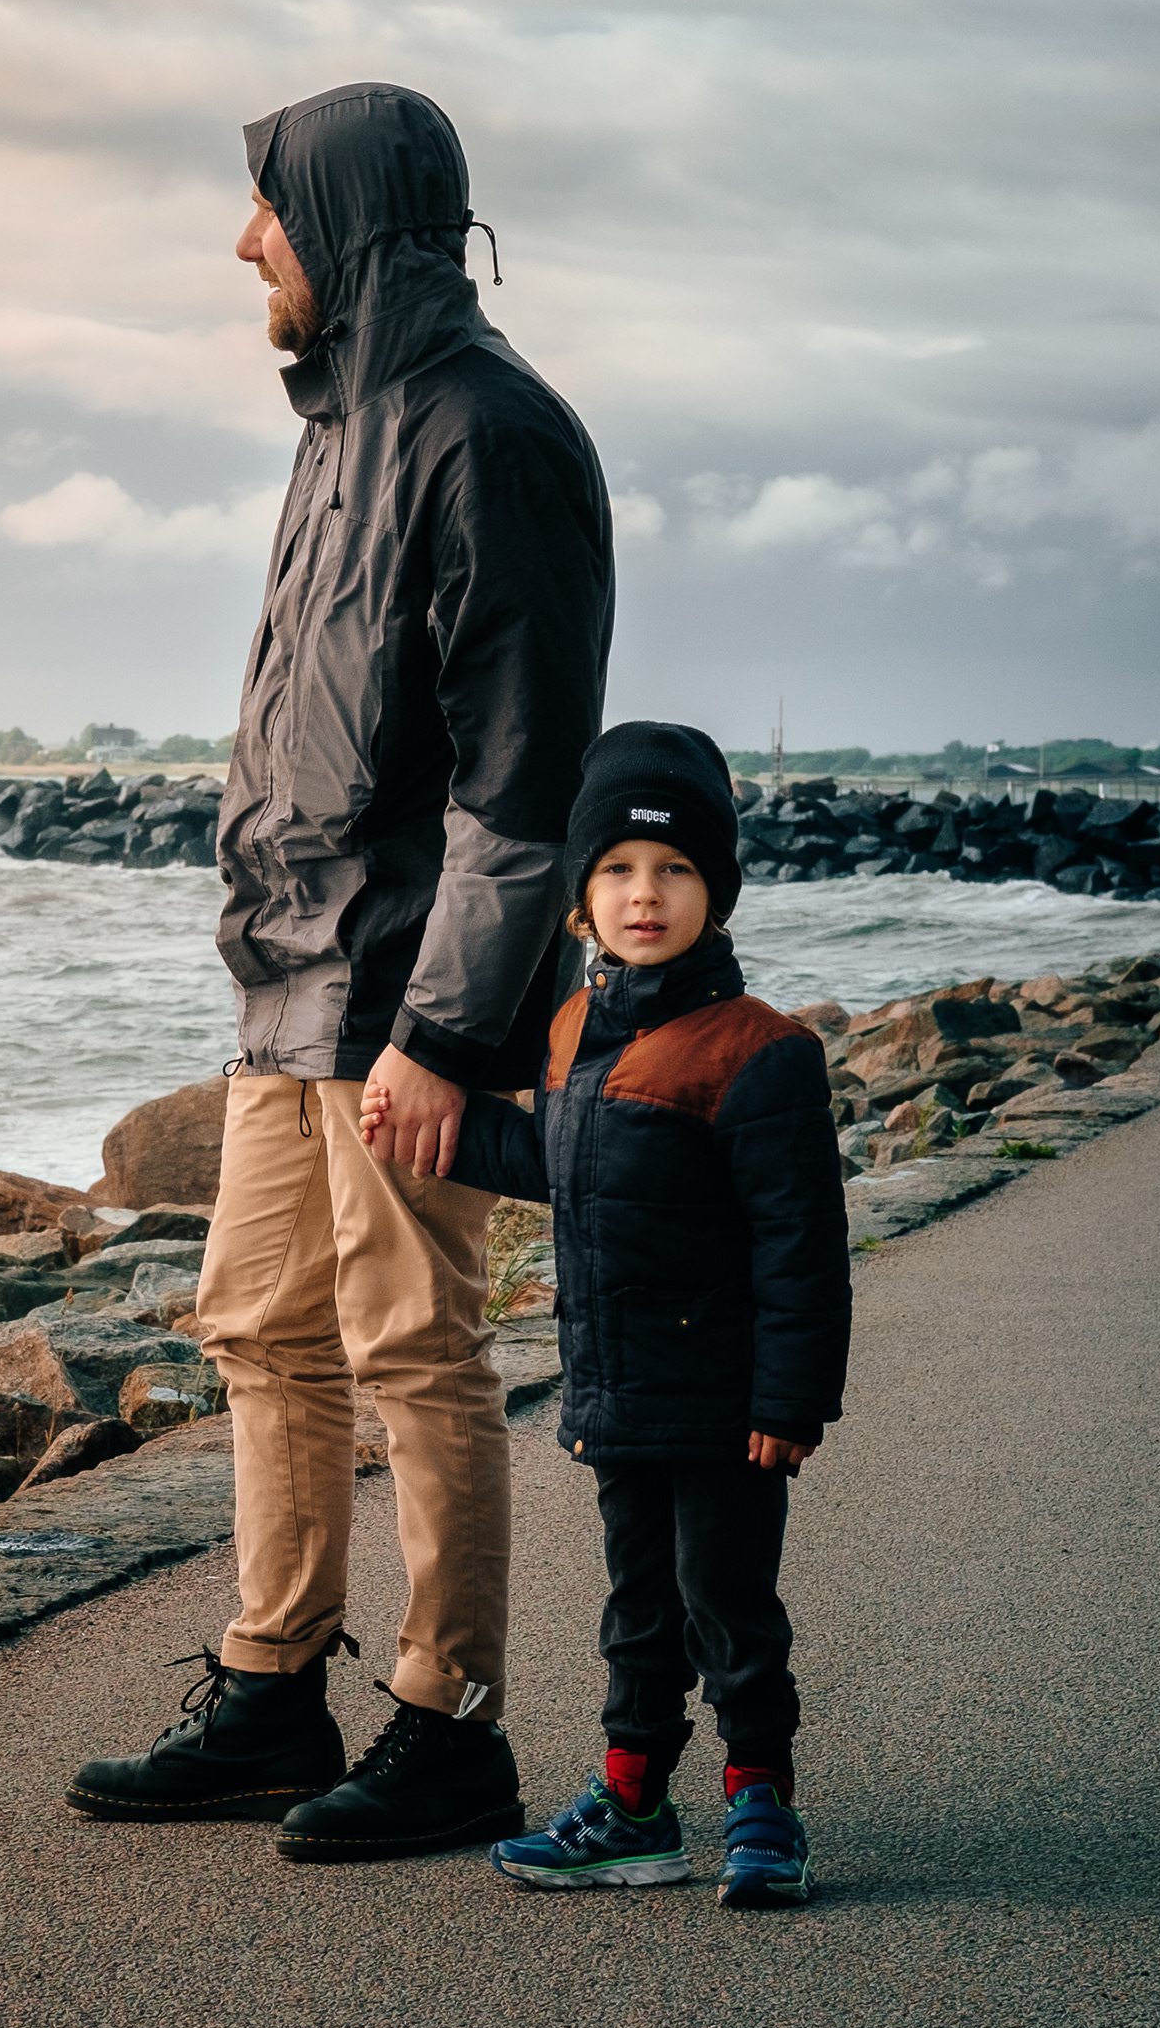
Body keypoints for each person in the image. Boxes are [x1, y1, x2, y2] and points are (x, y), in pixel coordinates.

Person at [66, 83, 615, 1862]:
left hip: (399, 1006)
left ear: (348, 221)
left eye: (266, 213)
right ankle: (272, 1683)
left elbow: (516, 786)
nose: (244, 245)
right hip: (281, 995)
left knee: (412, 1350)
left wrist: (451, 1035)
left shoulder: (491, 435)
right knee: (262, 1335)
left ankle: (449, 1722)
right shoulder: (341, 429)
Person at [361, 722, 851, 1903]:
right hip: (618, 1389)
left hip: (728, 1404)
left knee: (728, 1611)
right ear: (581, 900)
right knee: (636, 1612)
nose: (647, 894)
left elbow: (806, 1249)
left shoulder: (761, 1053)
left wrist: (792, 1402)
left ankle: (763, 1808)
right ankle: (634, 1806)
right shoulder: (575, 1030)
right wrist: (451, 1133)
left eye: (677, 871)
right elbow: (570, 1162)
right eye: (621, 871)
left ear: (716, 896)